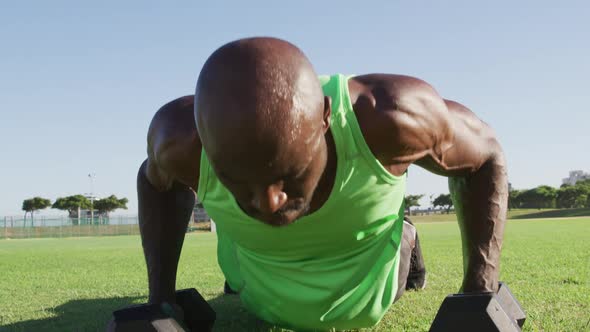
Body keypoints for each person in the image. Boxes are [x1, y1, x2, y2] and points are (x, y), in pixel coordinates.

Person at [137, 37, 508, 330]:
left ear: (326, 118)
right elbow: (155, 182)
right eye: (237, 179)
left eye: (290, 174)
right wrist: (160, 299)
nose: (268, 204)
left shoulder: (391, 117)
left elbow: (485, 155)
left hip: (366, 286)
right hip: (257, 281)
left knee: (394, 236)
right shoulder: (179, 141)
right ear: (204, 139)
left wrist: (479, 291)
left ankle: (405, 235)